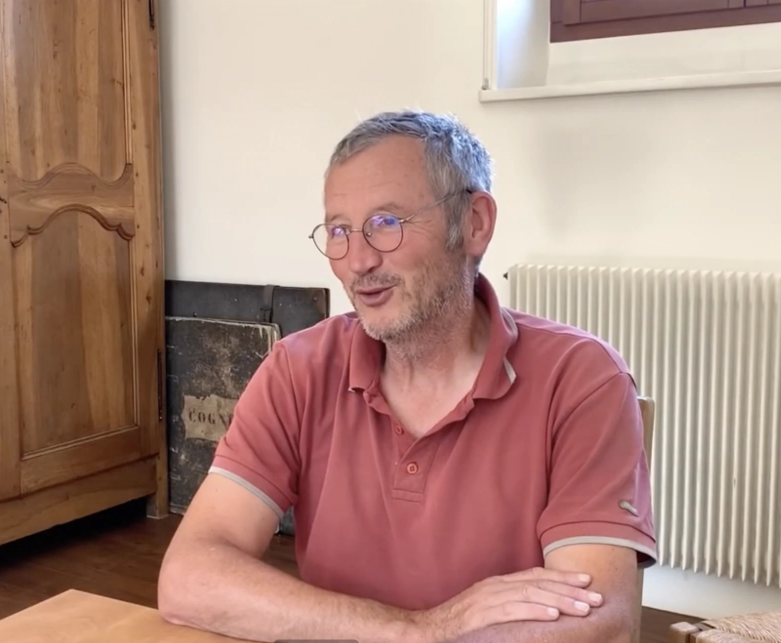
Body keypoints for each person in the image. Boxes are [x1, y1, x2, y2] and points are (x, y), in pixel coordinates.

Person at [157, 110, 657, 643]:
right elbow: (189, 578)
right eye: (339, 231)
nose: (358, 261)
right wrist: (418, 630)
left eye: (387, 224)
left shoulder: (581, 378)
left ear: (474, 223)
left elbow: (600, 621)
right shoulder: (298, 369)